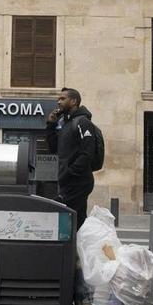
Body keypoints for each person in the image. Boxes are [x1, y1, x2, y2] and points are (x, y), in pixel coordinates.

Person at [46, 87, 97, 230]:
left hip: (78, 181)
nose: (58, 102)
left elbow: (87, 153)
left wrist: (69, 173)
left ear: (73, 101)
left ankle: (65, 250)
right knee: (78, 222)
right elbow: (54, 149)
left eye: (63, 99)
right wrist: (51, 125)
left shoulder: (82, 122)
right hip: (68, 182)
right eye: (58, 99)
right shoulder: (65, 124)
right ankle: (79, 250)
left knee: (58, 214)